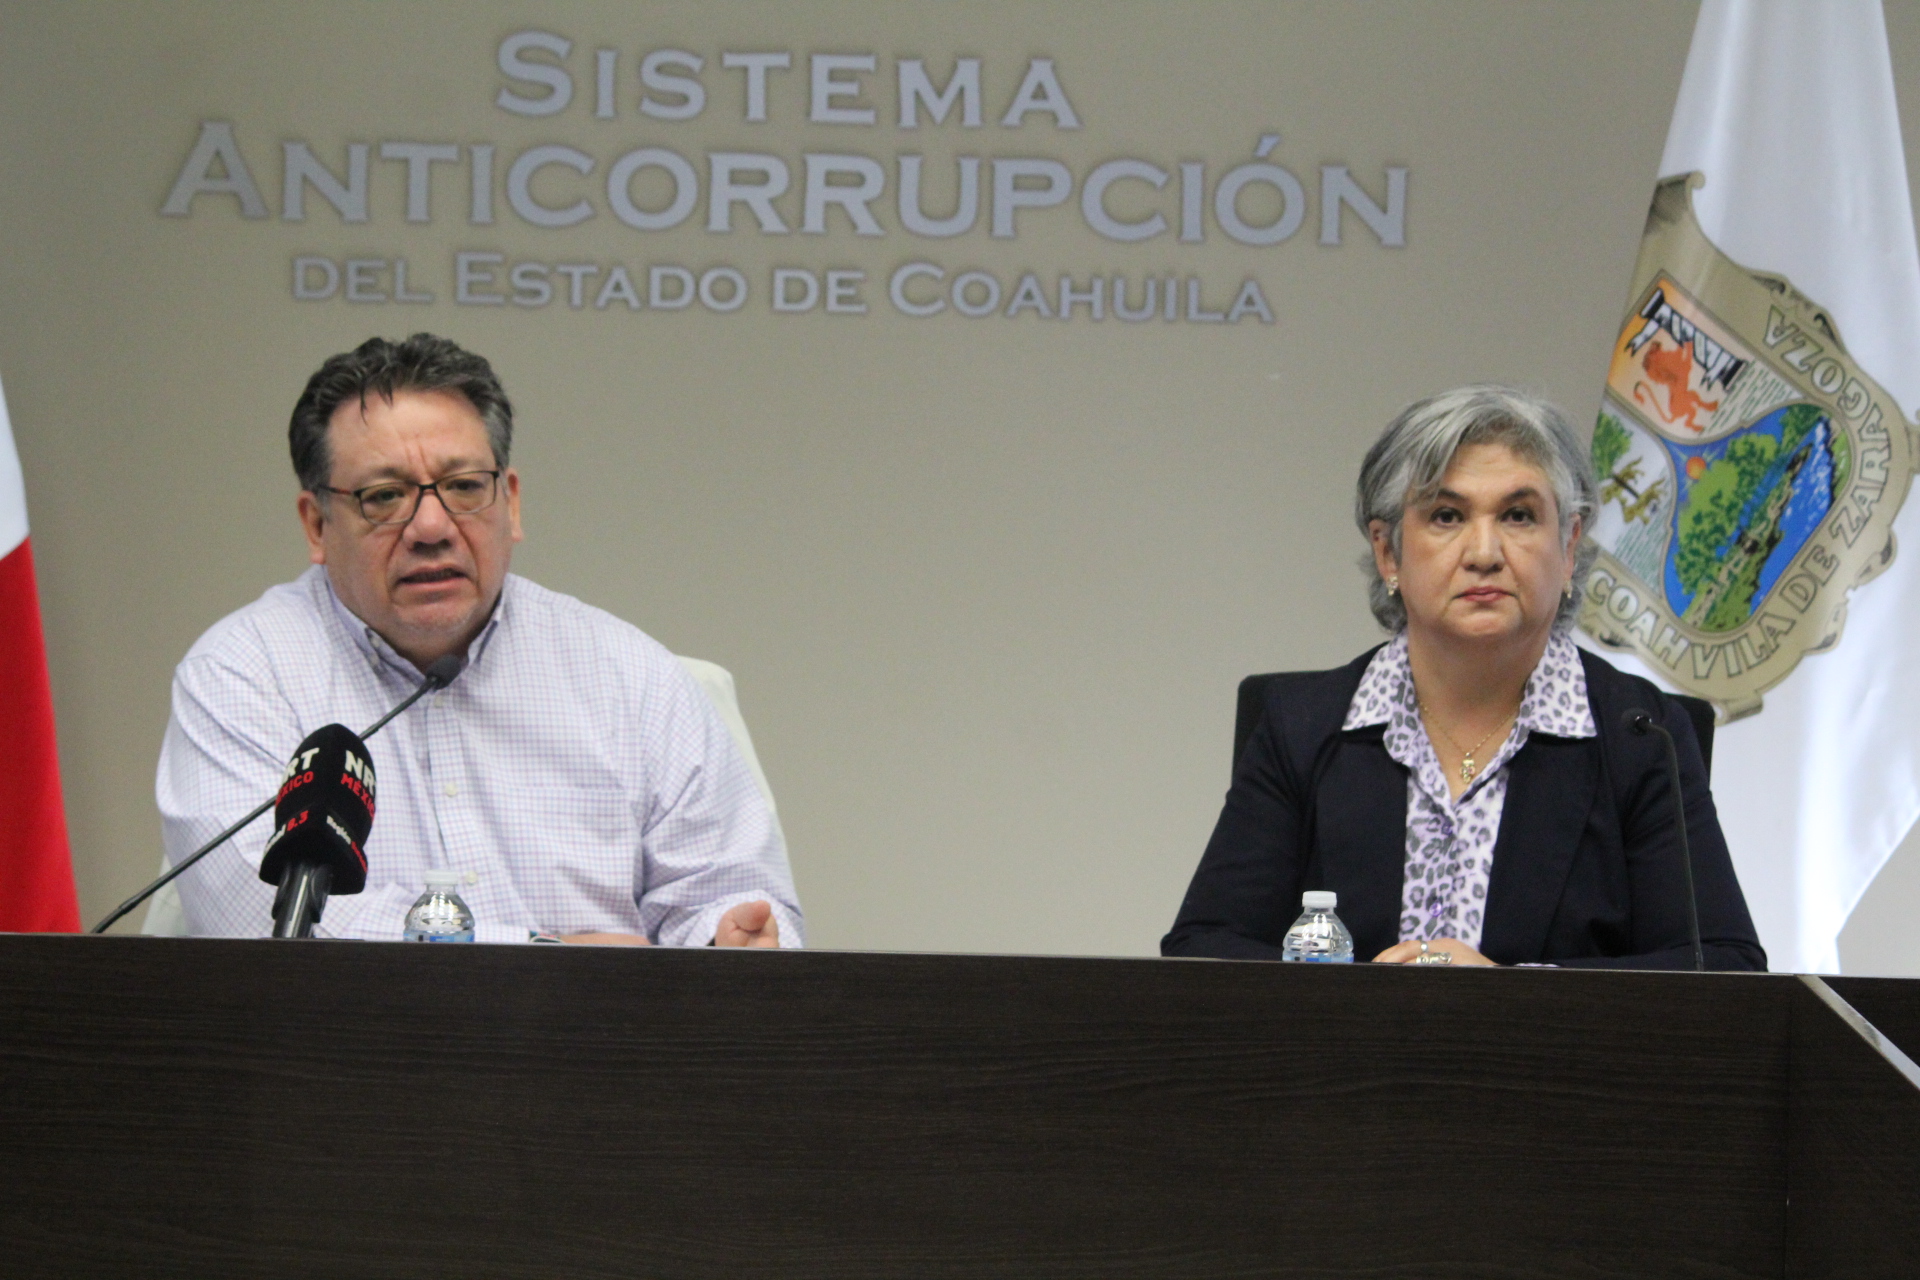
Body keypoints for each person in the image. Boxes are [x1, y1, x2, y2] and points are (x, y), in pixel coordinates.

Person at [157, 333, 801, 946]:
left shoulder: (632, 676)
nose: (431, 527)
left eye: (464, 487)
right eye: (385, 497)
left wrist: (727, 941)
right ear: (317, 525)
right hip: (345, 1030)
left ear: (510, 503)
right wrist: (546, 954)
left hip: (609, 1029)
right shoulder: (242, 674)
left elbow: (726, 897)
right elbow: (261, 921)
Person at [1162, 386, 1764, 969]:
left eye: (1519, 516)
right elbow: (1204, 951)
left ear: (1569, 547)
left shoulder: (1640, 737)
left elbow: (1721, 965)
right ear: (1388, 552)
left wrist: (1509, 996)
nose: (1484, 553)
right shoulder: (1304, 726)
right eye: (1447, 516)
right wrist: (1363, 1001)